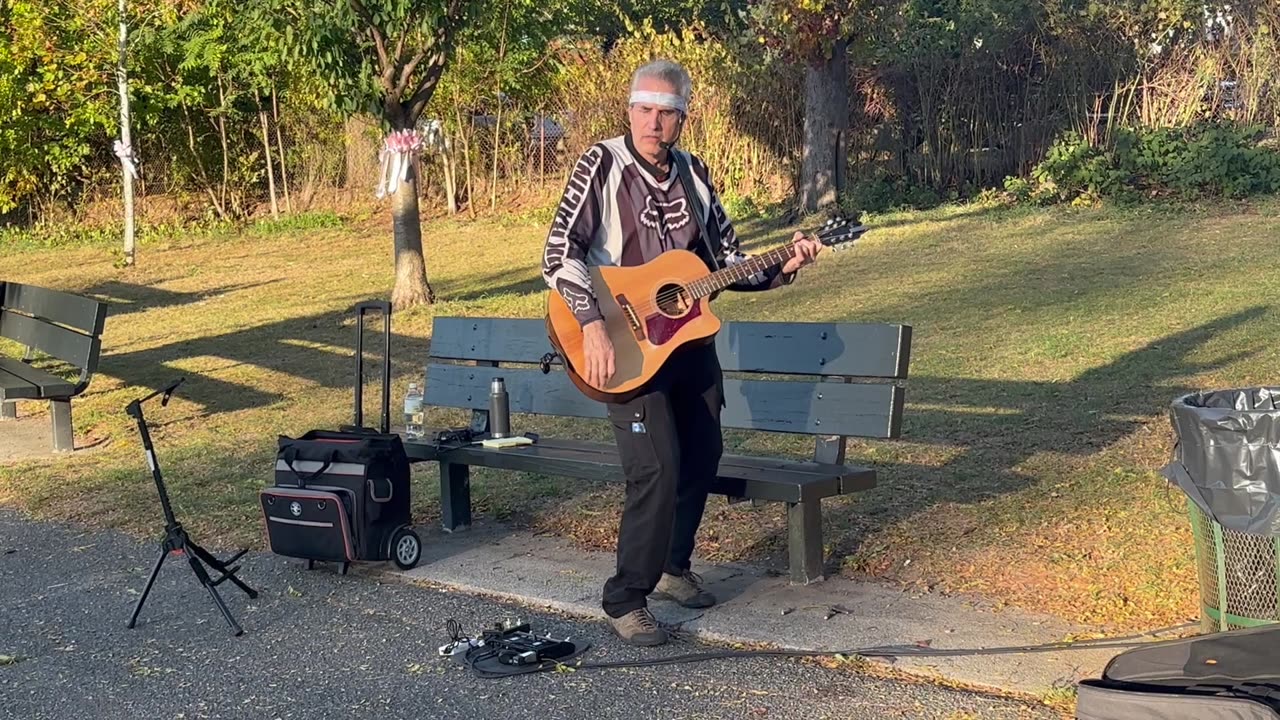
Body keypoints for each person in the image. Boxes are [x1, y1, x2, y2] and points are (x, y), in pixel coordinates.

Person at [540, 59, 822, 646]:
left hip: (688, 342)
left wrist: (783, 267)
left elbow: (723, 266)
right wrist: (591, 323)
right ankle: (625, 598)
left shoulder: (695, 174)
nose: (653, 123)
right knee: (657, 467)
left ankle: (673, 566)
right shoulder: (601, 163)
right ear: (629, 110)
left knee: (701, 453)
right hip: (620, 341)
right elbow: (558, 253)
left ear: (683, 119)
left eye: (667, 113)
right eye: (644, 110)